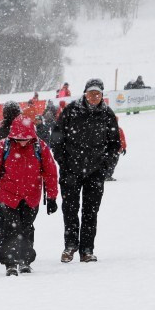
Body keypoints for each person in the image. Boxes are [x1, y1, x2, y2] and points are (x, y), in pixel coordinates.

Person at [51, 78, 120, 263]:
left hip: (95, 172)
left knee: (91, 212)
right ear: (85, 93)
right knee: (70, 210)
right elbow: (56, 137)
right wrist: (63, 163)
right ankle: (70, 246)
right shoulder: (71, 111)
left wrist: (106, 167)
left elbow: (115, 144)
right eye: (91, 93)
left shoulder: (107, 114)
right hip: (70, 171)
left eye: (97, 94)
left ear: (102, 95)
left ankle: (87, 250)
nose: (94, 97)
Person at [0, 116, 59, 276]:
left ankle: (25, 260)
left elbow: (50, 172)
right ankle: (10, 262)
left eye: (26, 139)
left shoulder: (40, 146)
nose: (23, 142)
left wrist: (52, 197)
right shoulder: (3, 146)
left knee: (26, 227)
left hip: (31, 196)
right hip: (7, 195)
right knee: (9, 228)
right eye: (19, 139)